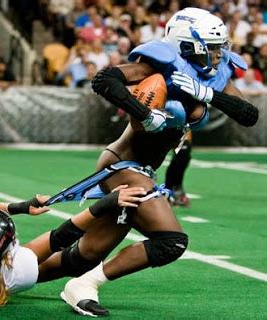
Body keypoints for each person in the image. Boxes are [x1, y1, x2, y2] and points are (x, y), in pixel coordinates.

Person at [53, 7, 258, 317]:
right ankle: (84, 285)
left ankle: (8, 271)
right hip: (122, 164)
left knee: (85, 253)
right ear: (189, 45)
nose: (218, 55)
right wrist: (144, 114)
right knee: (171, 241)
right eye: (212, 47)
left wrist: (209, 95)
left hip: (144, 170)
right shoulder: (162, 64)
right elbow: (104, 80)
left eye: (219, 47)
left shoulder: (212, 75)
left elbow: (249, 115)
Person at [0, 186, 145, 307]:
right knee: (75, 261)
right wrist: (104, 205)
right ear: (7, 256)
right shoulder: (14, 275)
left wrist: (22, 207)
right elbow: (59, 238)